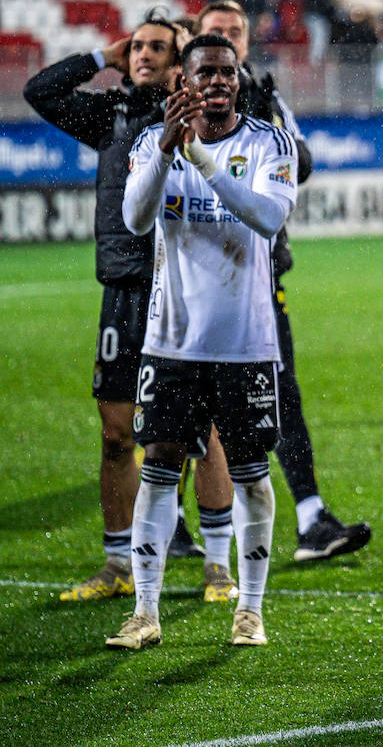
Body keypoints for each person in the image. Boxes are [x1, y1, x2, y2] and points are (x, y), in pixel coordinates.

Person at [23, 11, 241, 605]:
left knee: (203, 431)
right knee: (117, 434)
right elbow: (38, 92)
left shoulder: (198, 119)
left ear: (179, 64)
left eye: (156, 48)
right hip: (123, 289)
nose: (143, 55)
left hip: (183, 286)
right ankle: (118, 563)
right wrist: (102, 57)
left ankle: (218, 566)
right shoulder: (110, 115)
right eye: (136, 47)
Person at [108, 33, 298, 650]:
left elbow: (269, 217)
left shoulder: (268, 142)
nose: (218, 82)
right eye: (205, 74)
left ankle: (251, 609)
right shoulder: (149, 142)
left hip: (246, 345)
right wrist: (167, 150)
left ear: (238, 79)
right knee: (159, 469)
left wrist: (206, 161)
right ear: (181, 84)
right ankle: (144, 611)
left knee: (251, 475)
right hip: (172, 343)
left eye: (227, 72)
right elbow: (136, 220)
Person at [196, 0, 372, 562]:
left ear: (245, 44)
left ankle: (309, 517)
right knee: (187, 412)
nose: (227, 41)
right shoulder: (177, 106)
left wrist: (265, 114)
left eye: (235, 33)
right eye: (215, 34)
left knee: (280, 396)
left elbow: (303, 159)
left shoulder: (265, 96)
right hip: (191, 284)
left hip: (261, 273)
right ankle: (177, 527)